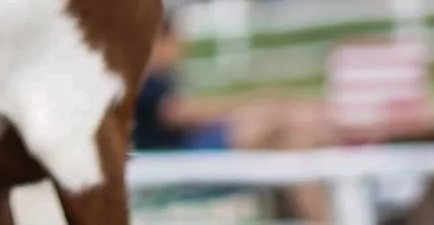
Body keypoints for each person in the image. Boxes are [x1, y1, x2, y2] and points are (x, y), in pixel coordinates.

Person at [133, 11, 333, 223]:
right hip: (175, 162)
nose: (184, 47)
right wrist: (251, 104)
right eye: (177, 41)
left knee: (296, 144)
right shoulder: (143, 79)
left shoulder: (159, 77)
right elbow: (177, 113)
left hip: (191, 151)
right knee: (264, 123)